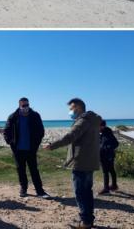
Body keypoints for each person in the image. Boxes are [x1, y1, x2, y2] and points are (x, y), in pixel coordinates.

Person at [45, 98, 100, 229]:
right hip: (90, 161)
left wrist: (52, 145)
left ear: (79, 108)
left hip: (81, 161)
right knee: (87, 191)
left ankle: (85, 222)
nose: (70, 111)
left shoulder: (82, 121)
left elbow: (70, 137)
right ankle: (88, 219)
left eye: (71, 108)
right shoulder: (93, 120)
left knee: (80, 192)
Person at [4, 97, 51, 199]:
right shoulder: (13, 117)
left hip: (31, 149)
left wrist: (36, 145)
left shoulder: (35, 116)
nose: (26, 107)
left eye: (27, 105)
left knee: (34, 170)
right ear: (19, 106)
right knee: (21, 170)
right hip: (18, 150)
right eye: (24, 105)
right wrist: (11, 143)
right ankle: (23, 189)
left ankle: (40, 191)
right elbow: (6, 131)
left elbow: (41, 132)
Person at [99, 119, 119, 194]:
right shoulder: (102, 133)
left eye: (98, 126)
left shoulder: (107, 133)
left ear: (102, 126)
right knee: (111, 170)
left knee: (106, 172)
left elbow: (116, 143)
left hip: (107, 156)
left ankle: (106, 188)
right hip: (105, 155)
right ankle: (114, 185)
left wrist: (107, 149)